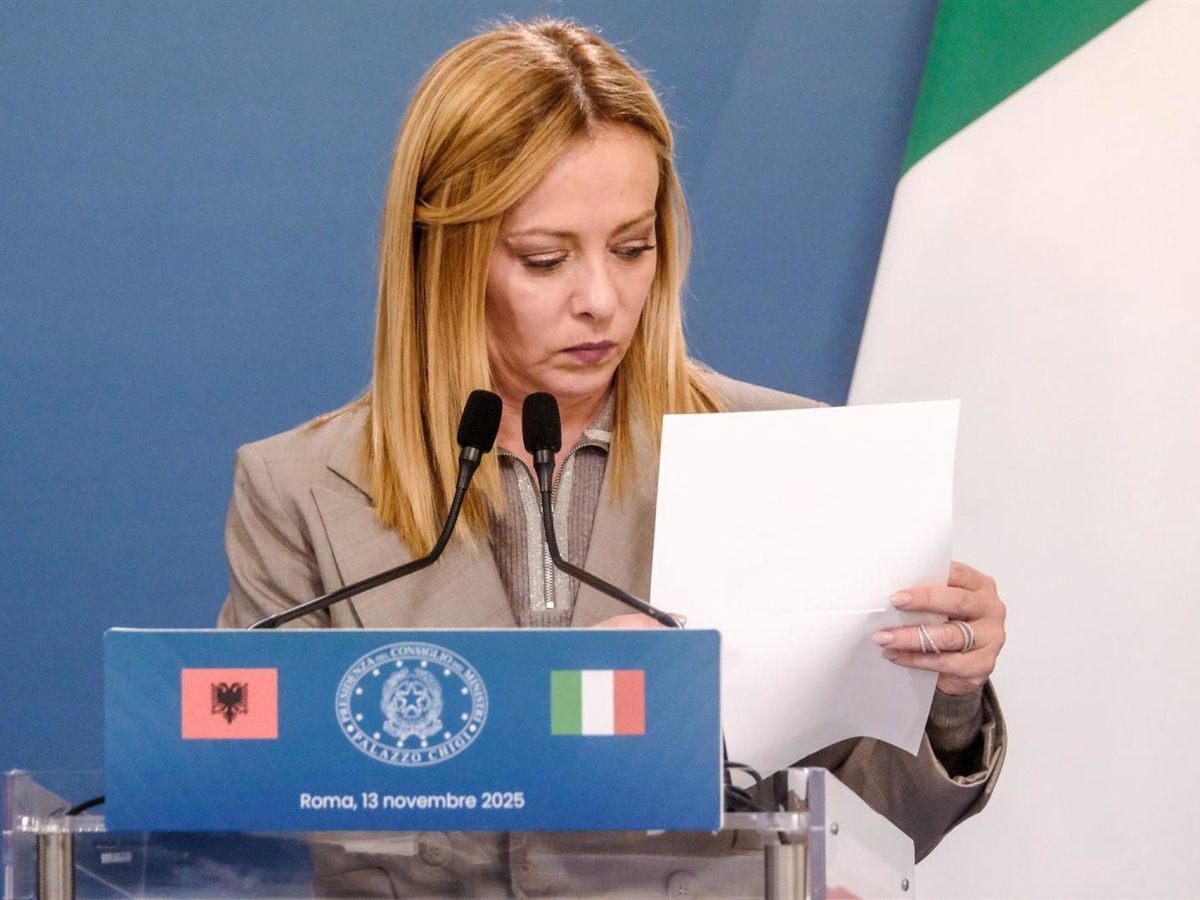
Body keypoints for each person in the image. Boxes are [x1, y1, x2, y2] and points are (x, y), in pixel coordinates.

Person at [219, 17, 1005, 896]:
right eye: (545, 260)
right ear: (443, 259)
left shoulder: (780, 449)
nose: (601, 299)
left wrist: (951, 698)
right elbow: (256, 813)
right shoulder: (299, 489)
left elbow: (892, 813)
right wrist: (557, 708)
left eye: (633, 248)